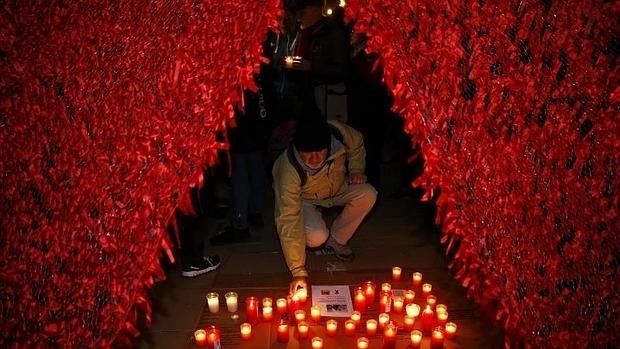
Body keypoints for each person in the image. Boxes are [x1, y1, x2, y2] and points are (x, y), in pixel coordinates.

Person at [272, 108, 377, 294]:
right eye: (307, 153)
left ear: (328, 145)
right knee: (315, 237)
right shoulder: (288, 169)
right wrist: (298, 272)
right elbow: (287, 218)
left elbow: (358, 143)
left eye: (320, 151)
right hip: (306, 199)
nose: (314, 159)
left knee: (368, 193)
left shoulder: (339, 133)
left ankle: (336, 239)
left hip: (337, 188)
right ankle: (324, 236)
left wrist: (356, 170)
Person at [209, 84, 270, 245]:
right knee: (255, 168)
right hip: (256, 126)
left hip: (241, 130)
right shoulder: (258, 68)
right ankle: (254, 213)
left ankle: (240, 223)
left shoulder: (238, 71)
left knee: (240, 174)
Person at [284, 0, 351, 122]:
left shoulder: (333, 32)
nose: (299, 19)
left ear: (316, 10)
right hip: (309, 103)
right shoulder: (305, 34)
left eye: (302, 13)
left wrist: (312, 67)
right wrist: (290, 69)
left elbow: (342, 71)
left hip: (329, 102)